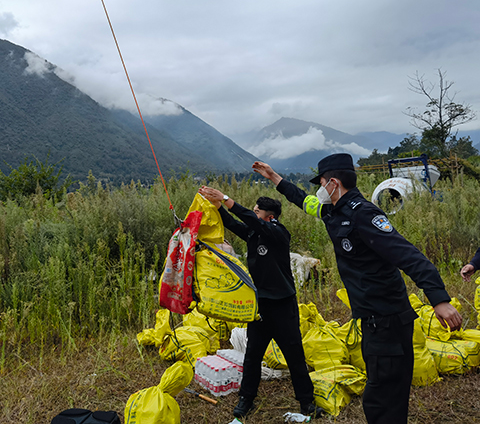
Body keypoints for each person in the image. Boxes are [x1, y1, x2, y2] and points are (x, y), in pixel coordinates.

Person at [252, 154, 462, 424]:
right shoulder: (334, 211)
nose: (320, 188)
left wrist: (439, 299)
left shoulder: (363, 213)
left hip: (387, 318)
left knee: (381, 396)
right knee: (383, 389)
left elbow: (408, 255)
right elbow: (303, 200)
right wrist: (274, 177)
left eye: (323, 182)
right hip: (372, 319)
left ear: (334, 183)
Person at [197, 186, 323, 420]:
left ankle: (308, 403)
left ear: (270, 217)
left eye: (257, 211)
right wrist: (216, 206)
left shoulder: (279, 233)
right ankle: (246, 400)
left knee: (294, 354)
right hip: (260, 307)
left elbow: (250, 221)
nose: (253, 214)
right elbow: (235, 224)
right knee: (253, 355)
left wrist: (226, 199)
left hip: (283, 306)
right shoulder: (255, 234)